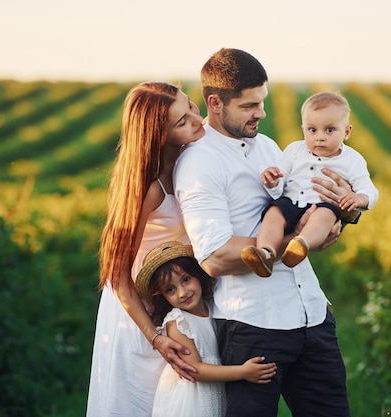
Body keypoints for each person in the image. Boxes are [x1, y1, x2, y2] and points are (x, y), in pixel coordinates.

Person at [174, 48, 357, 417]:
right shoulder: (199, 162)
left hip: (312, 314)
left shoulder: (270, 147)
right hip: (255, 326)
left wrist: (337, 217)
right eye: (249, 105)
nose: (261, 112)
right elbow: (213, 256)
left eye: (262, 101)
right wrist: (292, 243)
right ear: (215, 103)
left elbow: (302, 204)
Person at [86, 81, 205, 417]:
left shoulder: (191, 152)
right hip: (137, 313)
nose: (197, 120)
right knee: (139, 402)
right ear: (159, 135)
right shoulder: (148, 188)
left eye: (191, 106)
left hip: (171, 298)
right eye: (182, 121)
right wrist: (154, 337)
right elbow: (117, 276)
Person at [241, 91, 379, 277]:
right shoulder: (294, 150)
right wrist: (273, 181)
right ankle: (266, 252)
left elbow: (369, 189)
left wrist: (358, 198)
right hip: (291, 201)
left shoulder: (352, 160)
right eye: (312, 130)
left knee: (323, 217)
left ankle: (301, 244)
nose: (319, 137)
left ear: (346, 132)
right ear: (303, 129)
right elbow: (280, 176)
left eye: (329, 130)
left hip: (322, 204)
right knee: (274, 214)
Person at [134, 241, 277, 417]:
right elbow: (194, 369)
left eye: (186, 280)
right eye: (170, 289)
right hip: (193, 399)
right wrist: (243, 372)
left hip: (214, 388)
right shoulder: (179, 322)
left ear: (198, 274)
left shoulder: (213, 306)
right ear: (163, 296)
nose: (182, 292)